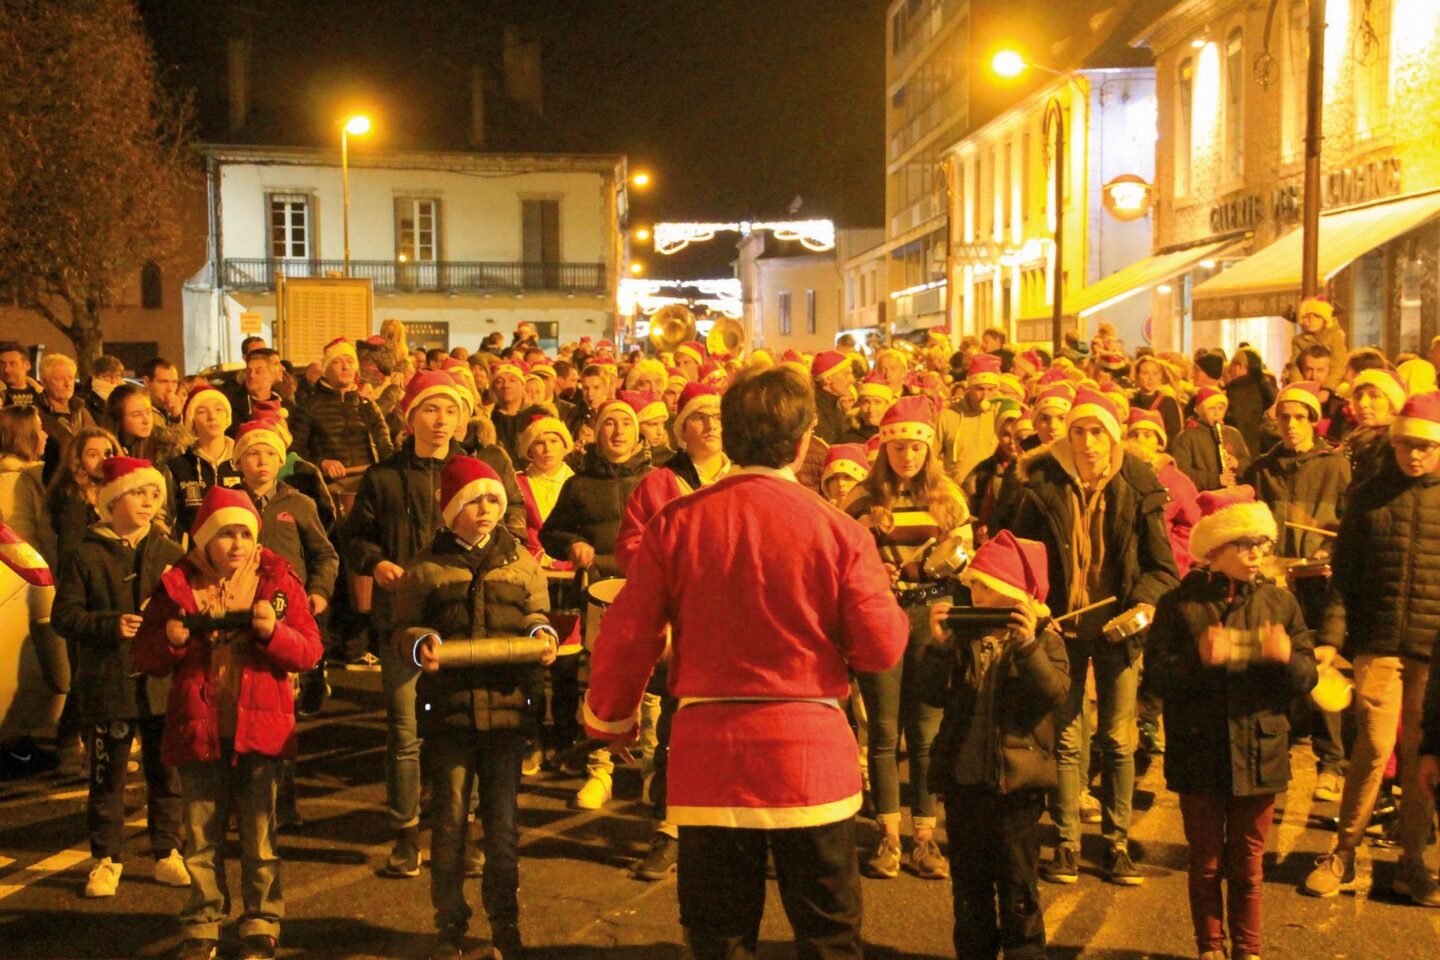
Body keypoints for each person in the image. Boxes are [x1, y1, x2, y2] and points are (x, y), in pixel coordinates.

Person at [582, 364, 908, 960]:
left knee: (719, 940)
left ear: (727, 438)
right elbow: (882, 647)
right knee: (828, 939)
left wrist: (609, 719)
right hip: (813, 762)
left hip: (711, 761)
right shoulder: (838, 531)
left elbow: (629, 634)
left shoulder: (678, 523)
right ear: (805, 438)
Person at [132, 486, 323, 960]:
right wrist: (172, 638)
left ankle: (261, 918)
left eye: (244, 533)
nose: (236, 544)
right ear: (203, 541)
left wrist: (273, 632)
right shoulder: (177, 585)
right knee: (200, 835)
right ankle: (203, 919)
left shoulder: (278, 581)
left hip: (260, 729)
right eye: (225, 534)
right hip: (199, 727)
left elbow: (309, 649)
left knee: (260, 836)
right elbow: (146, 656)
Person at [343, 371, 523, 875]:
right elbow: (356, 537)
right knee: (405, 732)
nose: (440, 419)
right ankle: (405, 833)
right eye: (429, 408)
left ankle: (465, 832)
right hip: (402, 621)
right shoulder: (383, 477)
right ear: (410, 416)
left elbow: (514, 528)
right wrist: (376, 562)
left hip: (469, 620)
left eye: (450, 410)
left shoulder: (483, 469)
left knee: (469, 731)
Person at [1009, 389, 1179, 886]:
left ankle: (1117, 842)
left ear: (1114, 436)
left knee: (1118, 739)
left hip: (1115, 629)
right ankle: (1066, 842)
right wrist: (1039, 604)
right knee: (1066, 737)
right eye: (1079, 431)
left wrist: (1142, 604)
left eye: (1097, 431)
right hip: (1064, 627)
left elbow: (1161, 567)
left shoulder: (1138, 483)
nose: (1087, 441)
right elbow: (1024, 556)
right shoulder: (1042, 484)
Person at [1145, 486, 1317, 960]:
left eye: (1261, 543)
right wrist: (1199, 659)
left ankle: (1250, 950)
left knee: (1249, 865)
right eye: (1244, 544)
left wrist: (1287, 658)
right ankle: (1209, 948)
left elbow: (1308, 678)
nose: (1256, 553)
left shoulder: (1281, 605)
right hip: (1200, 750)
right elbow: (1156, 677)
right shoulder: (1179, 605)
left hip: (1261, 751)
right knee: (1205, 863)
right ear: (1214, 550)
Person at [399, 456, 559, 960]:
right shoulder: (426, 567)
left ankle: (505, 926)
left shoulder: (521, 563)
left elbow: (537, 613)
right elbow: (403, 628)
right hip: (449, 716)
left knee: (503, 828)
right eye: (474, 501)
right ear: (452, 510)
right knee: (448, 826)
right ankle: (450, 924)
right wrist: (420, 642)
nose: (486, 509)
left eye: (493, 499)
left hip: (507, 715)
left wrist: (542, 635)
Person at [1302, 392, 1440, 906]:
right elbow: (1345, 578)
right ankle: (1343, 852)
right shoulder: (1368, 494)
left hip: (1433, 651)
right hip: (1378, 642)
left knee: (1422, 756)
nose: (1415, 454)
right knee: (1374, 748)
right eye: (1406, 444)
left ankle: (1413, 863)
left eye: (1425, 445)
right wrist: (1331, 641)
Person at [923, 532, 1070, 960]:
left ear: (1010, 592)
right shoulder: (961, 639)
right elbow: (930, 693)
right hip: (965, 784)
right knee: (969, 891)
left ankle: (1026, 952)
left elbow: (1053, 695)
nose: (973, 592)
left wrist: (1027, 647)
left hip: (1017, 791)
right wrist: (937, 646)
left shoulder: (1045, 640)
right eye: (973, 585)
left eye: (984, 586)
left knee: (1018, 888)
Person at [844, 395, 970, 881]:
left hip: (929, 614)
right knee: (882, 729)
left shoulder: (949, 498)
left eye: (917, 447)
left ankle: (924, 837)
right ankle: (888, 837)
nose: (908, 456)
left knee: (926, 731)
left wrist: (930, 567)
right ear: (885, 448)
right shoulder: (860, 498)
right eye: (899, 447)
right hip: (879, 614)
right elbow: (847, 557)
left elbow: (963, 560)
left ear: (928, 449)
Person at [51, 456, 187, 899]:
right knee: (107, 775)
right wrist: (110, 624)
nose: (148, 502)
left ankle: (168, 850)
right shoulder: (85, 554)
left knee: (166, 772)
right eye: (138, 493)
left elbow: (190, 606)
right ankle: (106, 859)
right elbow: (64, 616)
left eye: (154, 494)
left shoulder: (169, 553)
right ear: (113, 501)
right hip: (109, 682)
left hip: (160, 681)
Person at [614, 382, 731, 881]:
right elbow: (630, 544)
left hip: (737, 621)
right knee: (677, 728)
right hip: (683, 621)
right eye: (698, 419)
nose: (709, 427)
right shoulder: (658, 482)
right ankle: (671, 827)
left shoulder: (745, 477)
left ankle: (728, 828)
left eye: (717, 418)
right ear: (681, 429)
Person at [540, 396, 653, 809]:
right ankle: (599, 771)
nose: (619, 431)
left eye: (626, 422)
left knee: (652, 686)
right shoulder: (579, 483)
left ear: (639, 431)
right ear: (597, 433)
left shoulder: (657, 479)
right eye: (610, 423)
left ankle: (651, 774)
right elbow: (552, 532)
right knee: (600, 681)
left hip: (649, 591)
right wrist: (575, 543)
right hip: (599, 591)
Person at [233, 417, 339, 820]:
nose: (262, 461)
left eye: (271, 454)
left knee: (282, 709)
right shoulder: (227, 502)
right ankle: (242, 801)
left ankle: (284, 800)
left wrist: (319, 591)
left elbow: (325, 554)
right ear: (239, 462)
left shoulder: (299, 503)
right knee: (241, 705)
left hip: (286, 617)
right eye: (253, 454)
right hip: (238, 613)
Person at [294, 337, 394, 491]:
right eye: (337, 362)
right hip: (326, 488)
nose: (345, 367)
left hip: (368, 485)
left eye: (350, 361)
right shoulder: (309, 406)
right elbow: (295, 452)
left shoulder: (367, 405)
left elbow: (385, 448)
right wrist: (322, 463)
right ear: (325, 370)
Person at [168, 386, 242, 535]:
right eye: (202, 411)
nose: (212, 416)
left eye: (219, 409)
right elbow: (165, 515)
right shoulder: (179, 466)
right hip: (194, 553)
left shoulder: (242, 461)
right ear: (192, 420)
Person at [0, 405, 56, 565]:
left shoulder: (31, 475)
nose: (45, 435)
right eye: (39, 429)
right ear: (24, 436)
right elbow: (21, 540)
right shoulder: (11, 480)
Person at [936, 353, 1001, 488]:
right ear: (969, 388)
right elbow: (932, 455)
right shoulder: (948, 415)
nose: (985, 396)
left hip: (993, 496)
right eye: (980, 389)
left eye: (991, 389)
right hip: (957, 492)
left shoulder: (1003, 414)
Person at [1172, 387, 1251, 492]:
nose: (1217, 413)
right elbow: (1181, 473)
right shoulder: (1186, 437)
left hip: (1232, 494)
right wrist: (1215, 480)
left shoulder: (1233, 433)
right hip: (1204, 497)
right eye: (1211, 408)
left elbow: (1248, 464)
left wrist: (1237, 464)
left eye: (1221, 408)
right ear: (1200, 411)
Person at [35, 353, 96, 482]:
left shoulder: (82, 411)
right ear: (44, 382)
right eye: (59, 379)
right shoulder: (36, 415)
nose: (67, 384)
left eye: (71, 378)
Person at [1286, 296, 1347, 392]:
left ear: (1324, 320)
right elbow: (1295, 366)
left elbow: (1339, 364)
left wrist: (1327, 388)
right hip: (1307, 386)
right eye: (1306, 317)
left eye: (1317, 316)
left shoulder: (1335, 336)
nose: (1311, 320)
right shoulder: (1298, 340)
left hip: (1333, 386)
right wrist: (1299, 388)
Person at [1224, 349, 1277, 459]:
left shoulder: (1235, 391)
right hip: (1264, 452)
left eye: (1233, 365)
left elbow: (1238, 425)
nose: (1229, 369)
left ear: (1239, 367)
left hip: (1240, 454)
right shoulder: (1266, 388)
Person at [1130, 356, 1183, 445]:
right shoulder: (1130, 400)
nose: (1150, 378)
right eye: (1145, 373)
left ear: (1161, 377)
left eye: (1155, 374)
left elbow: (1174, 434)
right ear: (1137, 376)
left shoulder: (1168, 402)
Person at [811, 350, 856, 445]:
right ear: (827, 378)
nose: (852, 380)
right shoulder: (814, 412)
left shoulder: (833, 405)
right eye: (846, 373)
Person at [821, 443, 869, 508]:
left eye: (848, 476)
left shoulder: (874, 515)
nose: (840, 483)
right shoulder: (820, 513)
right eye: (833, 478)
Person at [0, 341, 39, 408]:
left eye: (13, 364)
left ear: (27, 365)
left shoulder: (42, 396)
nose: (6, 369)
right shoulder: (1, 396)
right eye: (2, 364)